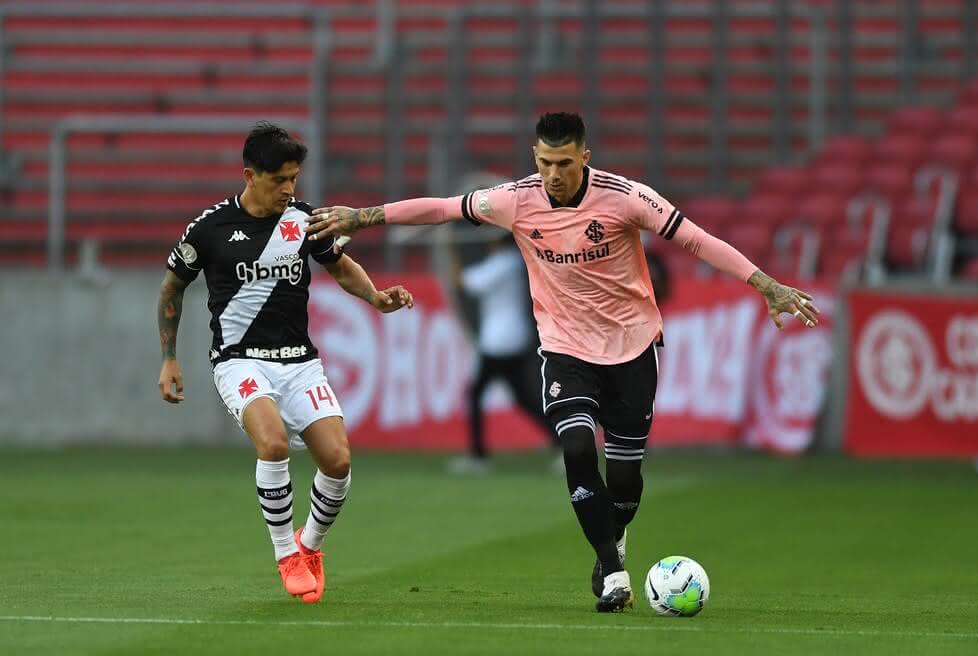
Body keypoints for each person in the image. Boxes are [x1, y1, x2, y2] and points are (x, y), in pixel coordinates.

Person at [303, 112, 819, 612]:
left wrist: (766, 286)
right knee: (575, 447)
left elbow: (697, 240)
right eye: (546, 162)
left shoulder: (626, 199)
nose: (554, 173)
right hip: (566, 349)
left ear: (584, 158)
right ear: (535, 157)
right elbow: (441, 209)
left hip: (634, 348)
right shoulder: (515, 200)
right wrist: (361, 216)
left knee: (625, 484)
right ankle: (611, 572)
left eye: (565, 163)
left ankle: (615, 537)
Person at [157, 122, 414, 603]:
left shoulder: (302, 219)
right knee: (272, 444)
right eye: (280, 180)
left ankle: (310, 544)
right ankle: (285, 555)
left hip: (299, 362)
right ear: (250, 176)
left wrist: (377, 298)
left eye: (294, 178)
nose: (289, 189)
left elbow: (339, 266)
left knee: (337, 460)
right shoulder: (210, 228)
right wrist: (169, 358)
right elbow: (173, 286)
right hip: (239, 361)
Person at [448, 233, 560, 475]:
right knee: (524, 398)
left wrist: (450, 252)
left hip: (500, 341)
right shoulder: (513, 261)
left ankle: (478, 456)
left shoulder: (503, 262)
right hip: (509, 338)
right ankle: (564, 444)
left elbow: (465, 283)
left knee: (476, 394)